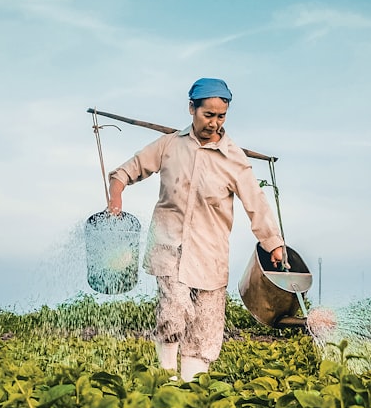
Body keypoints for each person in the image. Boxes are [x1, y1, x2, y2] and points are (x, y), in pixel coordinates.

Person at [107, 77, 285, 382]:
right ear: (192, 108)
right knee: (174, 310)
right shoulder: (169, 146)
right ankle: (165, 380)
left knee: (205, 325)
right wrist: (116, 196)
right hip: (168, 245)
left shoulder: (234, 159)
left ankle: (192, 388)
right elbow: (126, 171)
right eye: (208, 115)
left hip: (210, 252)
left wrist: (273, 243)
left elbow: (256, 203)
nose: (214, 123)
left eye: (221, 116)